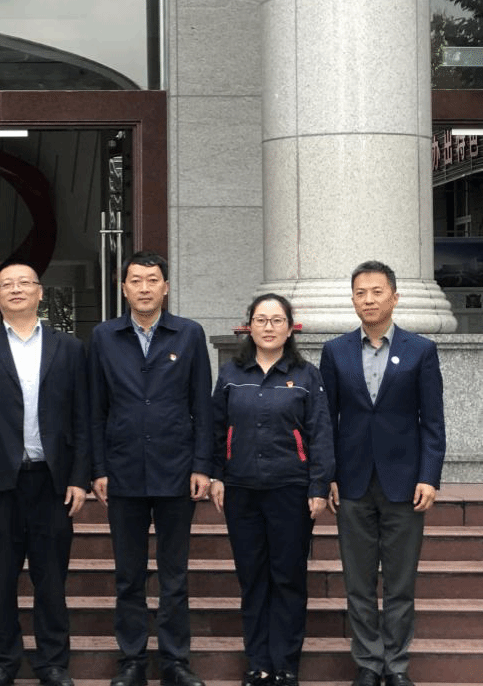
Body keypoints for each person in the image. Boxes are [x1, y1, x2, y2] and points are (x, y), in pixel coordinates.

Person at [0, 261, 90, 686]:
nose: (16, 289)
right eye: (6, 285)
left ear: (39, 292)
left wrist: (80, 478)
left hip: (53, 480)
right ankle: (2, 661)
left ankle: (53, 662)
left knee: (51, 577)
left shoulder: (69, 348)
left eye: (24, 283)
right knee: (0, 576)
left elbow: (83, 419)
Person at [88, 250, 212, 686]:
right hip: (122, 470)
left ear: (166, 287)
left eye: (152, 279)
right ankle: (132, 660)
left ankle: (175, 660)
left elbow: (202, 405)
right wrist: (98, 468)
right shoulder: (104, 337)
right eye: (136, 280)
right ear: (123, 288)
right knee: (129, 575)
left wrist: (202, 465)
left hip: (177, 470)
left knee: (174, 575)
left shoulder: (189, 334)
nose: (144, 288)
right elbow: (95, 409)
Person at [320, 261, 446, 686]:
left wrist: (429, 476)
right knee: (357, 582)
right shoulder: (335, 351)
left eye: (377, 292)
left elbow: (433, 422)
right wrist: (327, 474)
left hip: (405, 483)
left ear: (394, 297)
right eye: (360, 293)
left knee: (399, 582)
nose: (368, 300)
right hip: (351, 482)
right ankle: (368, 664)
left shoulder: (420, 350)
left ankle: (396, 665)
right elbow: (326, 420)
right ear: (353, 299)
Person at [210, 294, 333, 686]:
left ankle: (285, 664)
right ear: (249, 326)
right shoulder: (231, 373)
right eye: (261, 319)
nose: (268, 327)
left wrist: (318, 484)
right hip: (241, 490)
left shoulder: (306, 375)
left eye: (277, 320)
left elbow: (320, 433)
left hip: (290, 490)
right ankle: (258, 662)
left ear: (289, 327)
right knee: (252, 578)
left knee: (288, 577)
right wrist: (215, 475)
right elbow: (215, 430)